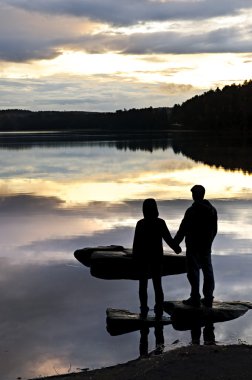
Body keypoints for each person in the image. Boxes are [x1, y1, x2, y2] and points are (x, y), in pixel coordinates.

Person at [132, 198, 181, 319]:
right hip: (156, 258)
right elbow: (168, 239)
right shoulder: (160, 222)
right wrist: (177, 249)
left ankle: (143, 309)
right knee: (157, 285)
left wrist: (135, 259)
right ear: (156, 209)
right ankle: (158, 309)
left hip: (143, 258)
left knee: (142, 285)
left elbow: (136, 244)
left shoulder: (140, 223)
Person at [174, 185, 218, 307]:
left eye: (193, 193)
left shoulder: (191, 211)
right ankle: (208, 297)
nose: (192, 195)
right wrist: (209, 242)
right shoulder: (212, 210)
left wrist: (175, 244)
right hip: (206, 246)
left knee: (193, 272)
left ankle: (195, 297)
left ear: (195, 195)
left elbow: (182, 229)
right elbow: (215, 230)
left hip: (193, 246)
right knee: (207, 271)